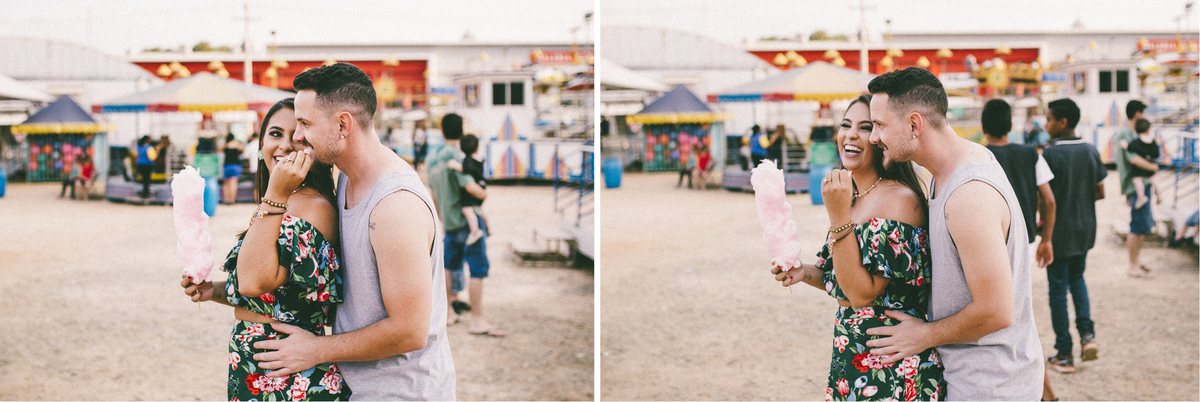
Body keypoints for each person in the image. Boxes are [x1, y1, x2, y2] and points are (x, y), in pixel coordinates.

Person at [254, 63, 456, 400]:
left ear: (343, 124)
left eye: (305, 124)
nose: (298, 136)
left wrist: (316, 349)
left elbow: (410, 331)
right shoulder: (347, 175)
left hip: (401, 393)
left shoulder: (395, 207)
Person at [860, 67, 1044, 400]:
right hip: (979, 378)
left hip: (990, 386)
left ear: (914, 125)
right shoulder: (957, 166)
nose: (873, 138)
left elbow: (996, 310)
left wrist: (924, 335)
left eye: (880, 125)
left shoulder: (967, 195)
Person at [772, 94, 944, 401]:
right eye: (845, 125)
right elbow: (839, 278)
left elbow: (862, 293)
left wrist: (838, 216)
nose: (850, 134)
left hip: (891, 367)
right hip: (852, 360)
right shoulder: (852, 198)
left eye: (865, 127)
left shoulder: (899, 200)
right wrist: (803, 272)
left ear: (880, 139)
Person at [181, 97, 350, 400]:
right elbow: (267, 294)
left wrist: (274, 195)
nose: (285, 145)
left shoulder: (314, 207)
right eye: (274, 134)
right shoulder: (282, 203)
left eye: (297, 138)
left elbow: (254, 281)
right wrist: (214, 290)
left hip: (291, 373)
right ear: (260, 145)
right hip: (255, 366)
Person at [981, 99, 1060, 400]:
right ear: (1011, 125)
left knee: (1011, 322)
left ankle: (1046, 392)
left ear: (984, 126)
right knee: (1018, 317)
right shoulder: (1031, 154)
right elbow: (1049, 200)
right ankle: (1044, 392)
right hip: (1023, 244)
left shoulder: (980, 156)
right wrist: (1047, 238)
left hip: (989, 244)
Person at [1041, 98, 1107, 374]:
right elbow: (1101, 192)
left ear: (1062, 122)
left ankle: (1064, 352)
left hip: (1058, 232)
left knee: (1057, 288)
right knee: (1078, 279)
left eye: (1049, 119)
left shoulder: (1051, 154)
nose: (1046, 125)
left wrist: (1043, 230)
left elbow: (1044, 199)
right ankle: (1088, 337)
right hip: (1085, 229)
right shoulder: (1091, 150)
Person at [428, 112, 505, 337]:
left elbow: (432, 192)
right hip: (466, 218)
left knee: (448, 266)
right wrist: (484, 195)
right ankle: (478, 320)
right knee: (478, 268)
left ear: (442, 130)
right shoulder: (457, 156)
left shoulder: (433, 157)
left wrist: (442, 215)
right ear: (461, 131)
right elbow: (470, 187)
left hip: (449, 220)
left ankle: (449, 311)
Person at [1113, 100, 1158, 278]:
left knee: (1143, 224)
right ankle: (1133, 266)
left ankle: (1136, 262)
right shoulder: (1126, 134)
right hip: (1136, 184)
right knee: (1138, 225)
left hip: (1137, 184)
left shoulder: (1129, 133)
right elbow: (1133, 159)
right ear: (1138, 114)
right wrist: (1153, 167)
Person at [447, 134, 489, 245]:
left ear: (461, 148)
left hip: (475, 188)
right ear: (477, 147)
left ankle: (475, 231)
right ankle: (487, 227)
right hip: (482, 184)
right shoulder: (479, 159)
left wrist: (455, 165)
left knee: (467, 209)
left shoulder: (468, 161)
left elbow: (467, 169)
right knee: (480, 209)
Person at [1121, 118, 1160, 210]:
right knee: (1153, 179)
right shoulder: (1152, 142)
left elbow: (1130, 147)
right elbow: (1156, 154)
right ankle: (1158, 193)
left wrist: (1124, 145)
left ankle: (1141, 197)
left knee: (1137, 181)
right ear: (1148, 129)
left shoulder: (1137, 142)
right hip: (1150, 164)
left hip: (1140, 168)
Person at [222, 133, 246, 204]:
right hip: (236, 165)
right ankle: (232, 200)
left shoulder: (226, 145)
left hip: (227, 166)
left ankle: (226, 199)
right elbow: (243, 149)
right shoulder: (237, 145)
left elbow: (218, 149)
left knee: (226, 184)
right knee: (233, 183)